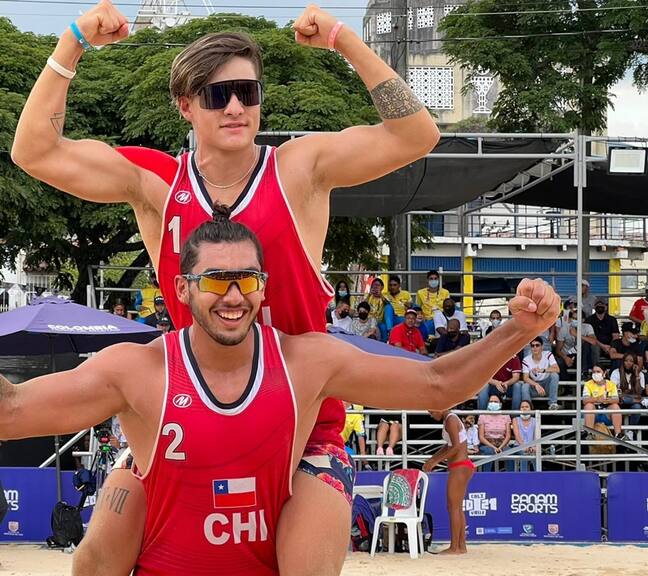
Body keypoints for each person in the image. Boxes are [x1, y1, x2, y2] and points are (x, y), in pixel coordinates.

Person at [12, 0, 442, 572]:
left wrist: (342, 38)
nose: (237, 106)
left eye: (249, 92)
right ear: (185, 105)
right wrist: (72, 41)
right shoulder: (156, 183)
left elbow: (417, 134)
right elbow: (33, 152)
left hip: (303, 423)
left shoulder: (298, 168)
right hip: (185, 417)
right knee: (94, 562)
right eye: (218, 95)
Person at [0, 219, 560, 573]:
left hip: (267, 545)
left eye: (248, 280)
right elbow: (12, 412)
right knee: (95, 561)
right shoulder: (136, 369)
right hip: (164, 555)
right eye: (217, 280)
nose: (234, 295)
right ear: (181, 289)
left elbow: (439, 384)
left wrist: (520, 331)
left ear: (265, 287)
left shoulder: (306, 360)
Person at [424, 410, 474, 555]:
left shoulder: (451, 420)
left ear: (441, 407)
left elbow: (456, 447)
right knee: (457, 508)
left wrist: (435, 462)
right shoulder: (449, 419)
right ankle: (461, 546)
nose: (431, 414)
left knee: (453, 507)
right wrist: (432, 459)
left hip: (460, 466)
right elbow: (448, 446)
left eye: (431, 411)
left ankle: (455, 547)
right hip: (461, 465)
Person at [582, 365, 626, 441]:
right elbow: (585, 400)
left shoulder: (611, 384)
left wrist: (608, 400)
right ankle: (589, 434)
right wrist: (598, 399)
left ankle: (618, 434)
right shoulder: (588, 384)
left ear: (604, 373)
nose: (595, 374)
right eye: (594, 372)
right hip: (593, 414)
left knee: (615, 406)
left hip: (606, 414)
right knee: (588, 405)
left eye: (598, 371)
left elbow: (616, 400)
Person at [555, 308, 600, 376]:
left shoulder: (587, 327)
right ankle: (567, 385)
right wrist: (565, 358)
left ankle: (586, 374)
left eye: (577, 318)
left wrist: (576, 335)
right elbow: (558, 350)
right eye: (573, 318)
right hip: (568, 355)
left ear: (583, 320)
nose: (574, 320)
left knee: (588, 344)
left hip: (582, 356)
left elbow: (594, 342)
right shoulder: (564, 329)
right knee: (559, 362)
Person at [520, 337, 560, 411]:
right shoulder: (526, 360)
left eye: (537, 345)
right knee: (525, 386)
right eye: (532, 346)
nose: (535, 347)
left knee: (554, 375)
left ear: (542, 347)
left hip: (546, 386)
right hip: (534, 386)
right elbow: (525, 378)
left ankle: (553, 404)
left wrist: (543, 370)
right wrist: (536, 385)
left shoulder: (548, 354)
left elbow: (557, 369)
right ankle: (527, 409)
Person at [609, 353, 645, 433]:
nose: (628, 363)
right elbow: (614, 392)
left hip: (632, 401)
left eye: (631, 361)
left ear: (635, 363)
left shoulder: (640, 374)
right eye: (626, 361)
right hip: (620, 401)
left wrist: (636, 375)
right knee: (621, 399)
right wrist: (631, 396)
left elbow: (639, 393)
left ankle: (631, 432)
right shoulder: (616, 372)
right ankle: (618, 431)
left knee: (637, 407)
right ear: (623, 362)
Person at [477, 395, 512, 471]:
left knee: (510, 452)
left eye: (495, 402)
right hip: (487, 444)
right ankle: (486, 477)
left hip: (502, 444)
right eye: (491, 401)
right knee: (489, 452)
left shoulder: (506, 416)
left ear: (500, 404)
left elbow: (508, 435)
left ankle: (510, 477)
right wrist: (493, 447)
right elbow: (481, 437)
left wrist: (500, 447)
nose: (493, 403)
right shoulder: (483, 416)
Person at [416, 270, 450, 336]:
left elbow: (448, 307)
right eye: (431, 279)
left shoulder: (445, 292)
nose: (433, 281)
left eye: (435, 279)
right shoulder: (420, 293)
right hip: (427, 320)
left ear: (438, 280)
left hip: (441, 319)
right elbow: (418, 308)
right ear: (427, 280)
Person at [341, 402, 370, 471]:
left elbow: (360, 435)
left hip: (341, 446)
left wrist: (363, 454)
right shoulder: (331, 409)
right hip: (325, 444)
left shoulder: (355, 415)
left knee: (351, 454)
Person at [511, 400, 536, 471]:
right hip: (518, 446)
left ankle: (538, 477)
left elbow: (536, 436)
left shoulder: (535, 420)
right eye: (522, 407)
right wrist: (524, 446)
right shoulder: (515, 419)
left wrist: (533, 447)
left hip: (532, 446)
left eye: (527, 407)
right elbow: (517, 435)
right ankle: (523, 476)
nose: (524, 408)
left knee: (536, 454)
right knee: (524, 454)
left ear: (531, 409)